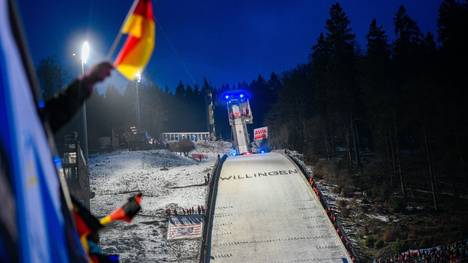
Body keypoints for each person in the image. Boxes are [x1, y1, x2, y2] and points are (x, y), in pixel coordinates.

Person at [41, 62, 113, 132]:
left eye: (108, 75)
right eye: (106, 74)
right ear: (100, 70)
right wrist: (42, 106)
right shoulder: (83, 84)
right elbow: (62, 99)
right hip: (51, 117)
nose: (105, 79)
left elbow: (70, 108)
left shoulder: (87, 87)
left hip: (57, 120)